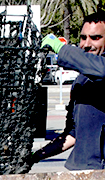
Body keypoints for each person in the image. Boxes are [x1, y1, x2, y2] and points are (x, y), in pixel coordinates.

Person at [32, 11, 105, 169]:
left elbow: (101, 69)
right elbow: (72, 134)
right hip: (77, 171)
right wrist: (37, 156)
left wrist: (61, 48)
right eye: (83, 37)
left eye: (95, 38)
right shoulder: (80, 82)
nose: (87, 44)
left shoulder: (102, 70)